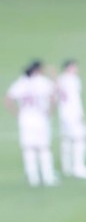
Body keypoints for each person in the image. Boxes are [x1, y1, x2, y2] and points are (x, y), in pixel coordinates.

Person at [4, 59, 58, 187]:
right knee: (44, 148)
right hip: (40, 119)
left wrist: (18, 113)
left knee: (29, 149)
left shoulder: (21, 82)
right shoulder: (42, 81)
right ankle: (48, 177)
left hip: (25, 120)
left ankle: (33, 178)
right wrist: (50, 111)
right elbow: (54, 95)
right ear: (38, 70)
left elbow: (8, 99)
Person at [56, 59, 86, 179]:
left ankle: (67, 167)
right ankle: (79, 168)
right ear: (69, 67)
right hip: (73, 114)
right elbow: (75, 100)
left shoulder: (60, 79)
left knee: (66, 140)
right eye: (74, 66)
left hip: (63, 114)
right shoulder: (73, 80)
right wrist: (80, 115)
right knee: (80, 139)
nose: (77, 69)